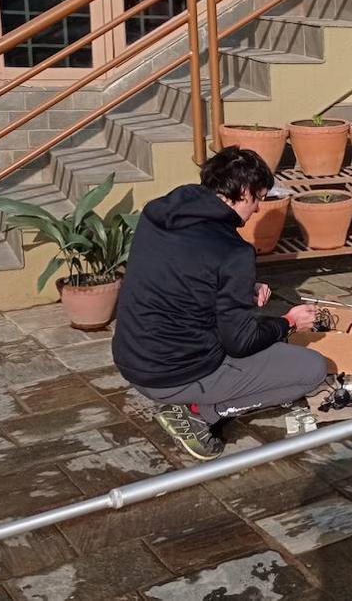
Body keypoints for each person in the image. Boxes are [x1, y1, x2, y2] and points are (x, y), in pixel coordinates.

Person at [112, 147, 326, 460]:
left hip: (132, 357)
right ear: (243, 191)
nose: (256, 211)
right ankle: (200, 413)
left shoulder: (158, 213)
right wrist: (289, 322)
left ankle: (197, 402)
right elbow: (240, 342)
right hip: (174, 372)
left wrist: (240, 289)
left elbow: (184, 275)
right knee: (312, 368)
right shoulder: (232, 252)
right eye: (259, 199)